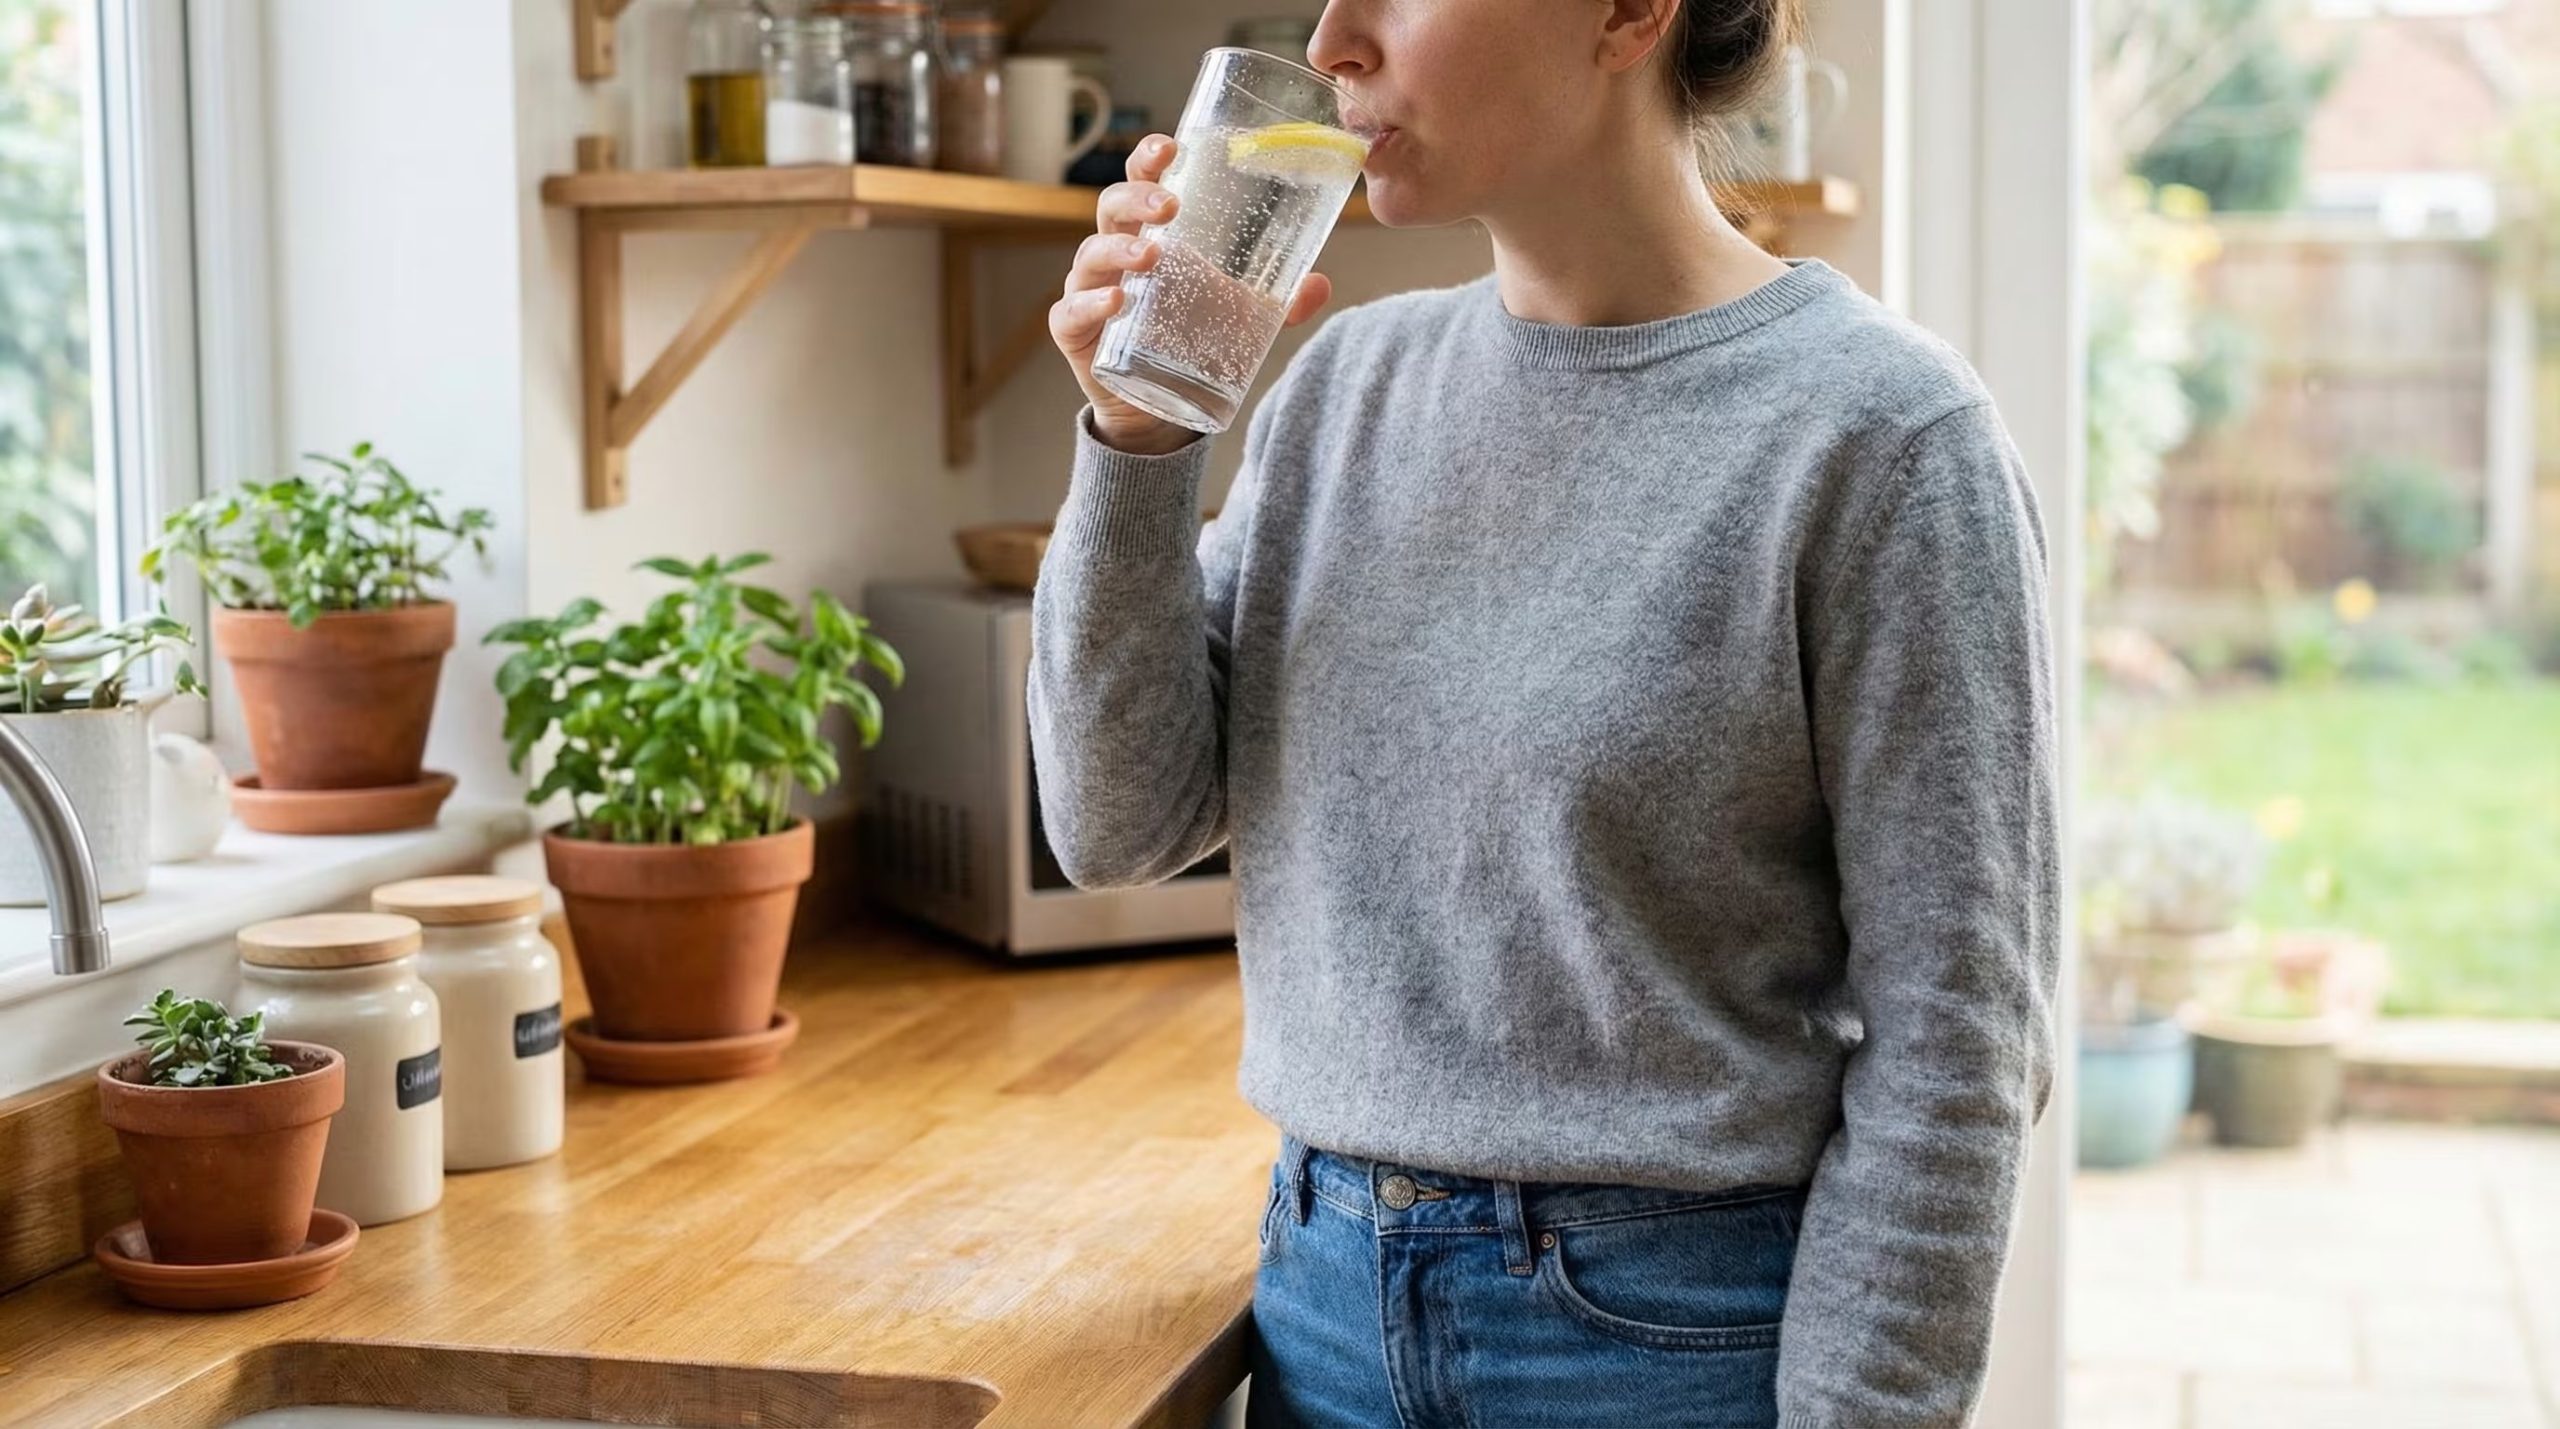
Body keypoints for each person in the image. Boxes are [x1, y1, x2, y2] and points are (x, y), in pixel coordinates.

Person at [1028, 0, 2060, 1424]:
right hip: (1322, 1309)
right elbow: (1116, 823)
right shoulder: (1339, 389)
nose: (1334, 44)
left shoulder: (1883, 439)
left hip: (1673, 1342)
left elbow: (1961, 1045)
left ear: (1635, 12)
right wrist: (1139, 437)